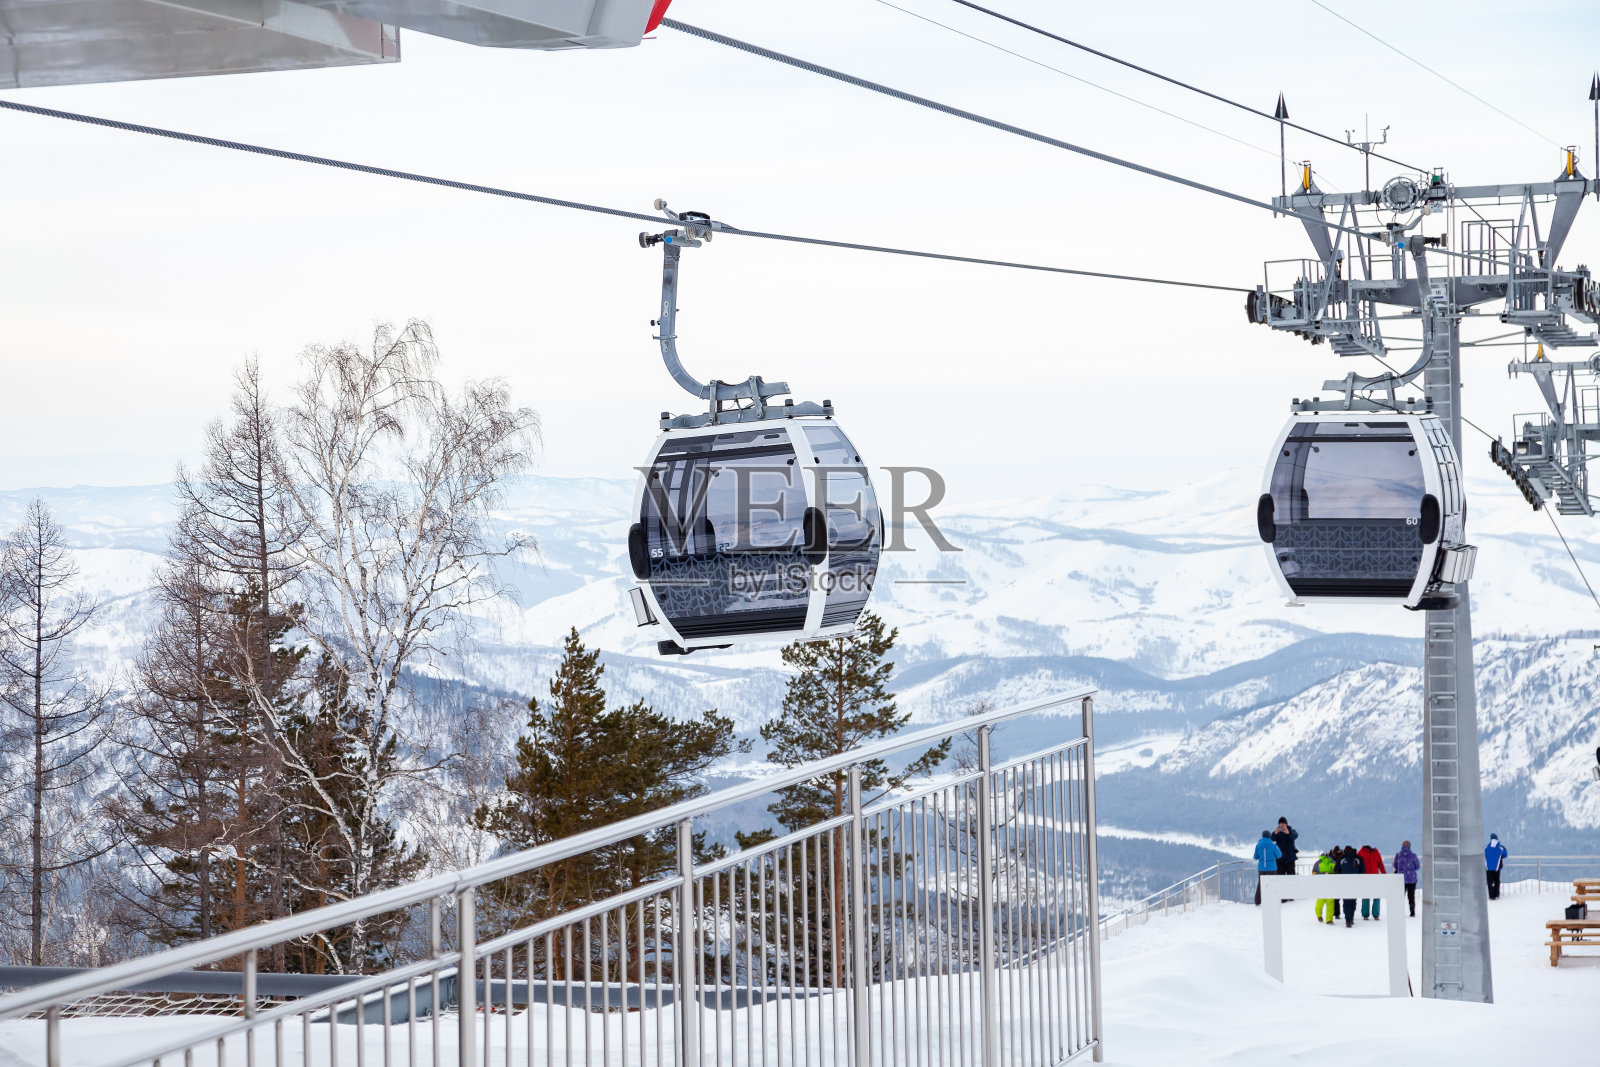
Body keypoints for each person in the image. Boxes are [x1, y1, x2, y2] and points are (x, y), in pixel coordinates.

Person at [1335, 844, 1364, 926]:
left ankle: (1348, 919)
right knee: (1353, 900)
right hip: (1355, 883)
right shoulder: (1358, 858)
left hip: (1344, 883)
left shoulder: (1342, 858)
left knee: (1346, 900)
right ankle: (1351, 917)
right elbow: (1363, 870)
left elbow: (1336, 869)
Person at [1357, 844, 1386, 919]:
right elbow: (1380, 864)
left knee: (1367, 896)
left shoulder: (1361, 852)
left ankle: (1366, 914)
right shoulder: (1375, 852)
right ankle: (1375, 914)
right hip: (1373, 877)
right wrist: (1384, 874)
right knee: (1375, 896)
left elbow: (1357, 866)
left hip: (1367, 878)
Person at [1253, 830, 1282, 905]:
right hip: (1272, 867)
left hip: (1261, 867)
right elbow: (1279, 855)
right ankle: (1272, 901)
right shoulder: (1273, 845)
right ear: (1269, 836)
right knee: (1272, 883)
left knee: (1261, 883)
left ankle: (1257, 901)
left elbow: (1255, 857)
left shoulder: (1258, 845)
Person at [1393, 840, 1420, 917]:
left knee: (1400, 896)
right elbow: (1417, 866)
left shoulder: (1398, 855)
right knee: (1411, 896)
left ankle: (1399, 911)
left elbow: (1395, 865)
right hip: (1411, 879)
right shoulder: (1413, 855)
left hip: (1401, 879)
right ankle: (1412, 912)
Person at [1313, 849, 1338, 924]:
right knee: (1330, 904)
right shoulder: (1334, 862)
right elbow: (1337, 874)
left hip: (1321, 886)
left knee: (1320, 902)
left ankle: (1319, 915)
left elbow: (1313, 874)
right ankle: (1329, 920)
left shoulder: (1317, 863)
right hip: (1331, 886)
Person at [1485, 833, 1508, 900]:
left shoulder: (1486, 847)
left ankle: (1491, 895)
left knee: (1489, 882)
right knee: (1497, 881)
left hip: (1488, 867)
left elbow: (1483, 854)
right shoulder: (1501, 848)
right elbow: (1505, 855)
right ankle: (1496, 895)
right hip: (1497, 867)